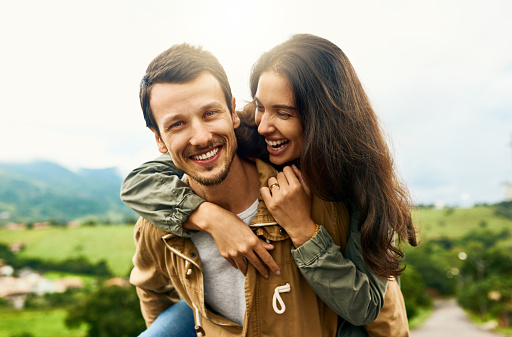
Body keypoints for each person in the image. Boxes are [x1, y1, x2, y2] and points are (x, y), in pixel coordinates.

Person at [124, 35, 416, 336]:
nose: (264, 125)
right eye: (177, 124)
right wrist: (209, 217)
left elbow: (373, 309)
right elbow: (137, 183)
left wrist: (303, 230)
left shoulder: (348, 197)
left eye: (285, 113)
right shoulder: (249, 133)